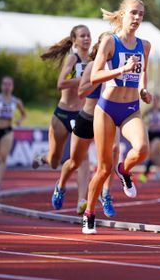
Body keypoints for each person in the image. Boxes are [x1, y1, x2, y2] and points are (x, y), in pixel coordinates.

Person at [82, 0, 152, 234]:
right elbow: (95, 77)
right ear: (122, 14)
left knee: (142, 149)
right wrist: (121, 69)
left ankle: (124, 171)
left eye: (141, 14)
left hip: (131, 107)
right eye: (133, 13)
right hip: (107, 109)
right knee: (103, 168)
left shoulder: (145, 45)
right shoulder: (110, 42)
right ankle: (89, 213)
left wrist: (143, 89)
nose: (137, 18)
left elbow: (143, 72)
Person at [51, 33, 118, 217]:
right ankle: (61, 185)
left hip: (108, 117)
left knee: (113, 151)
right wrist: (99, 79)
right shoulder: (91, 66)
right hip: (88, 117)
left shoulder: (120, 67)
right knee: (74, 162)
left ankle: (106, 194)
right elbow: (81, 92)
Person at [32, 24, 91, 215]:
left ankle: (83, 201)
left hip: (80, 115)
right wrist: (82, 80)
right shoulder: (73, 59)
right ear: (74, 40)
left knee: (83, 159)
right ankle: (44, 157)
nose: (86, 39)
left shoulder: (92, 60)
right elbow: (61, 83)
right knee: (55, 161)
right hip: (63, 113)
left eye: (88, 35)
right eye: (82, 36)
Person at [0, 76, 27, 192]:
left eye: (9, 84)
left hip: (7, 130)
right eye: (5, 84)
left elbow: (24, 114)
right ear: (1, 86)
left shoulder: (16, 101)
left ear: (12, 87)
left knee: (3, 157)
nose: (7, 87)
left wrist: (19, 121)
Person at [141, 94, 160, 182]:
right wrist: (145, 125)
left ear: (159, 102)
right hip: (150, 133)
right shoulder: (149, 111)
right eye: (154, 100)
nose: (155, 102)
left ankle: (148, 172)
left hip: (159, 134)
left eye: (157, 100)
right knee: (154, 153)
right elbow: (140, 118)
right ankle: (155, 172)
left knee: (156, 151)